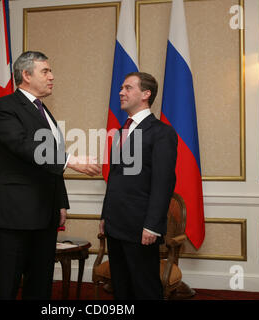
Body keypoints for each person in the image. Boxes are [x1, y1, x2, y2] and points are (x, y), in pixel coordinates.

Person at [0, 51, 101, 300]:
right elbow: (23, 146)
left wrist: (60, 202)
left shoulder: (43, 110)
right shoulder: (4, 107)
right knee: (6, 284)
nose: (52, 77)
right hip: (14, 215)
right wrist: (70, 160)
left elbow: (49, 162)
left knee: (40, 284)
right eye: (45, 71)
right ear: (26, 75)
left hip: (45, 214)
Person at [100, 72, 178, 300]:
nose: (121, 92)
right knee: (121, 288)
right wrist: (106, 215)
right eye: (121, 88)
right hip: (116, 224)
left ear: (146, 94)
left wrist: (153, 225)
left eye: (127, 88)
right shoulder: (121, 131)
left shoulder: (162, 132)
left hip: (141, 227)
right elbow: (114, 179)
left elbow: (163, 182)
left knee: (145, 288)